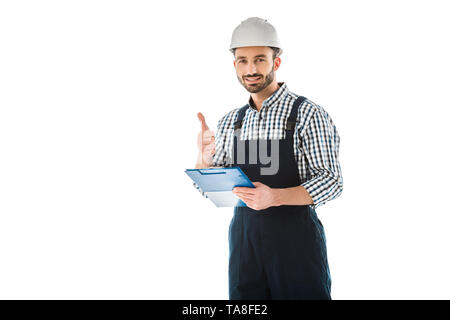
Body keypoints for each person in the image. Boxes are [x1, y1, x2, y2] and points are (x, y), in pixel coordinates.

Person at [194, 17, 343, 300]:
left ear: (276, 62)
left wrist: (274, 197)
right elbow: (213, 189)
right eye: (243, 61)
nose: (251, 69)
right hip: (244, 248)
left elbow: (332, 182)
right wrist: (204, 160)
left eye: (260, 59)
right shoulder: (230, 121)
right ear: (234, 65)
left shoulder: (307, 114)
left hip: (296, 248)